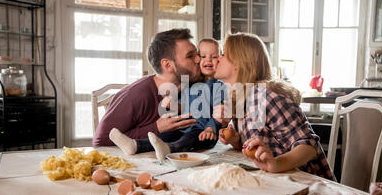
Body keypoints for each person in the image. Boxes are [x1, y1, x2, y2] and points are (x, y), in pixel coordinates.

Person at [216, 33, 336, 181]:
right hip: (275, 181)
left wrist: (276, 164)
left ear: (239, 63)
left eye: (223, 54)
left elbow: (309, 147)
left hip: (307, 184)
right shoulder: (239, 98)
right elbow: (260, 141)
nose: (217, 58)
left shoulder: (266, 97)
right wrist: (236, 140)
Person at [109, 38, 228, 162]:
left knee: (187, 139)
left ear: (219, 59)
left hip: (203, 132)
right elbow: (185, 103)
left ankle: (170, 149)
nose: (208, 60)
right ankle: (135, 145)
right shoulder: (191, 82)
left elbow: (219, 113)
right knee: (165, 135)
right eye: (203, 56)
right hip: (183, 126)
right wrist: (175, 105)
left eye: (214, 56)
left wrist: (210, 128)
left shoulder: (219, 85)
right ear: (197, 59)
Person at [92, 28, 202, 147]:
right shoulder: (136, 95)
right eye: (190, 56)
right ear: (167, 65)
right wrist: (156, 128)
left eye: (197, 54)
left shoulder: (191, 86)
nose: (199, 59)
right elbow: (101, 142)